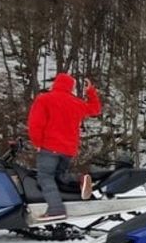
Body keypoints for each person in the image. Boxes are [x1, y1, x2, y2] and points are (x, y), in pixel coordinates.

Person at [27, 73, 102, 221]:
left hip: (49, 147)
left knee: (45, 177)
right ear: (71, 87)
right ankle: (80, 179)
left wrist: (37, 144)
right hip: (68, 150)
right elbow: (95, 109)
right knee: (59, 176)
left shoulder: (44, 99)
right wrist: (91, 92)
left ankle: (55, 210)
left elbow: (35, 124)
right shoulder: (75, 102)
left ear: (56, 83)